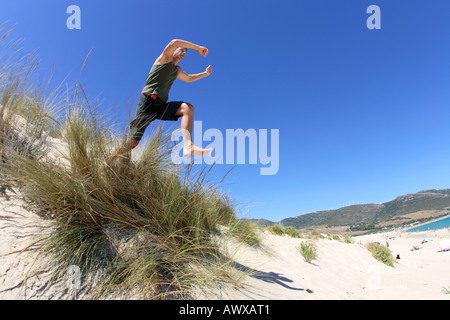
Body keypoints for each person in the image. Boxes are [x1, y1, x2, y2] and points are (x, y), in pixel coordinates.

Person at [110, 39, 212, 163]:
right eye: (181, 49)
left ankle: (188, 146)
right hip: (147, 104)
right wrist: (197, 48)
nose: (183, 53)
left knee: (187, 108)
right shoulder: (164, 59)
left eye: (185, 53)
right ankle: (108, 161)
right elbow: (174, 42)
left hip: (161, 106)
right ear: (174, 49)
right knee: (133, 142)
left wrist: (205, 73)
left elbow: (189, 78)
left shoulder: (177, 70)